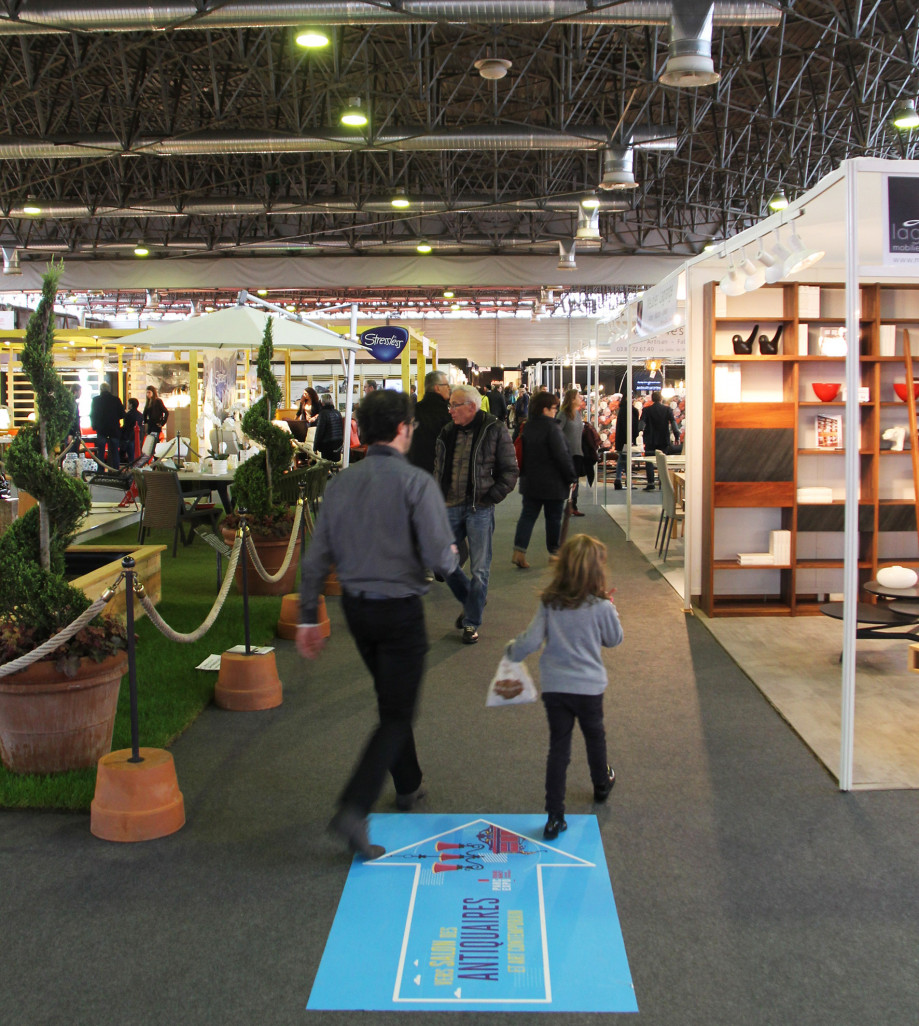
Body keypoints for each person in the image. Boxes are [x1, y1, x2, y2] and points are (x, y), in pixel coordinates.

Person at [297, 390, 457, 860]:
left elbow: (315, 559)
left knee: (393, 699)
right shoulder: (417, 483)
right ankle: (354, 807)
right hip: (400, 611)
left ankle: (408, 783)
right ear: (404, 428)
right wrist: (452, 556)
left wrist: (309, 616)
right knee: (396, 714)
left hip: (357, 610)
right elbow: (439, 558)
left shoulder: (340, 485)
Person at [506, 533, 623, 840]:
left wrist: (512, 651)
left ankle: (555, 815)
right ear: (597, 571)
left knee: (559, 748)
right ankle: (601, 783)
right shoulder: (602, 606)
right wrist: (612, 608)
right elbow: (614, 639)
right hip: (589, 689)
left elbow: (530, 641)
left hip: (556, 689)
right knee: (595, 737)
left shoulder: (550, 603)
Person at [434, 384, 518, 644]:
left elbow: (510, 471)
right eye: (449, 405)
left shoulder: (494, 429)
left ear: (471, 406)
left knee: (480, 569)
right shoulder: (447, 432)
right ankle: (474, 599)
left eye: (454, 406)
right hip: (449, 507)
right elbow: (439, 471)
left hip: (479, 509)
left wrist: (490, 498)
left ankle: (471, 622)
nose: (450, 411)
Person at [511, 391, 576, 568]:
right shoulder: (552, 428)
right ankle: (554, 554)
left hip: (530, 481)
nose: (555, 411)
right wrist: (571, 477)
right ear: (545, 409)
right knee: (553, 519)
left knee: (527, 516)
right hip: (552, 484)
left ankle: (519, 551)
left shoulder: (527, 426)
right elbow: (562, 456)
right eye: (554, 407)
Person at [407, 369, 451, 474]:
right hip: (439, 470)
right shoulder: (446, 414)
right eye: (446, 385)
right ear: (437, 388)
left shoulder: (412, 411)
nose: (449, 388)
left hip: (414, 469)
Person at [639, 390, 680, 491]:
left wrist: (638, 433)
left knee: (649, 461)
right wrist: (677, 436)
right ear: (661, 399)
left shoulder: (646, 410)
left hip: (650, 439)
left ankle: (651, 483)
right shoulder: (667, 409)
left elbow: (641, 425)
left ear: (652, 399)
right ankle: (662, 483)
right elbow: (674, 424)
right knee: (662, 461)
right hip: (663, 439)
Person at [557, 388, 586, 515]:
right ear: (572, 399)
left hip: (577, 451)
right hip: (566, 452)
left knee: (575, 480)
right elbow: (556, 431)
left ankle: (573, 505)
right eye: (578, 396)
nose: (580, 398)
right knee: (565, 479)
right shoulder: (563, 414)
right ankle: (563, 503)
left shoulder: (578, 414)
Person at [89, 381, 125, 470]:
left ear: (100, 390)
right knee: (115, 452)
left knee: (100, 452)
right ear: (109, 390)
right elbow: (122, 414)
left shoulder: (96, 400)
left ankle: (101, 471)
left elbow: (92, 414)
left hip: (101, 429)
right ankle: (115, 470)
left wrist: (94, 426)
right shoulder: (116, 400)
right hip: (114, 429)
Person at [613, 394, 641, 491]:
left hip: (622, 439)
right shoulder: (629, 410)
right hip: (626, 439)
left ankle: (618, 480)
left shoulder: (622, 409)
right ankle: (627, 481)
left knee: (622, 459)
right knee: (625, 460)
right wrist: (632, 438)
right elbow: (630, 426)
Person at [312, 392, 344, 462]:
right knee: (335, 465)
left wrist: (315, 447)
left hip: (327, 445)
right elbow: (342, 428)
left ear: (322, 403)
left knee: (326, 465)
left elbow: (319, 432)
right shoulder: (337, 412)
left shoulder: (323, 414)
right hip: (338, 443)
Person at [142, 385, 168, 454]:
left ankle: (156, 458)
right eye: (147, 393)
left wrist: (162, 423)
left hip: (156, 425)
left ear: (153, 393)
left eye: (149, 392)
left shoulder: (158, 401)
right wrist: (146, 422)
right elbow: (145, 414)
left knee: (155, 443)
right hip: (150, 426)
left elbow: (166, 412)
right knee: (150, 444)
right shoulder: (148, 402)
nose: (148, 394)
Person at [120, 397, 144, 464]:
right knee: (136, 454)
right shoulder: (141, 415)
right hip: (138, 437)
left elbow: (126, 427)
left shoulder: (128, 415)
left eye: (128, 404)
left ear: (131, 404)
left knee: (131, 455)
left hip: (129, 437)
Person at [65, 384, 82, 453]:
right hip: (72, 433)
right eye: (80, 391)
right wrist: (70, 434)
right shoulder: (71, 403)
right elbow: (70, 419)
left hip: (74, 433)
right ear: (75, 392)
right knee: (72, 454)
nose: (81, 393)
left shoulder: (72, 402)